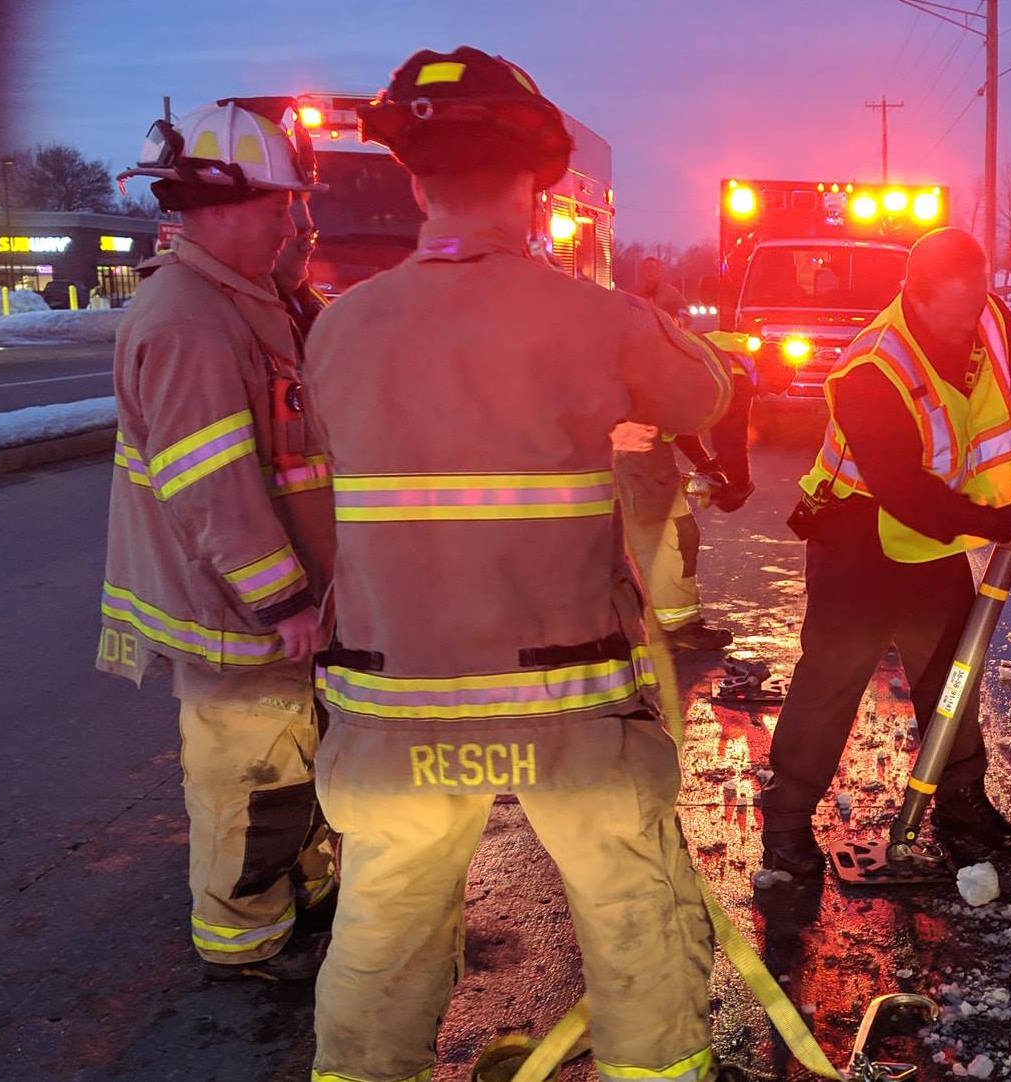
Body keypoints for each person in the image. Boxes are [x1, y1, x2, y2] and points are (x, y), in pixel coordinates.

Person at [302, 47, 755, 1082]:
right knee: (632, 908)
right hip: (566, 705)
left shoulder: (340, 330)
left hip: (392, 705)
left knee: (381, 926)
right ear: (538, 182)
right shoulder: (590, 316)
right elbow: (707, 398)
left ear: (416, 181)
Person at [98, 100, 338, 981]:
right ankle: (245, 943)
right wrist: (282, 598)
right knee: (252, 784)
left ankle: (297, 897)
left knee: (291, 768)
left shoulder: (248, 303)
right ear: (224, 206)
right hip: (241, 617)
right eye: (279, 207)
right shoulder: (191, 321)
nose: (290, 225)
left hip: (262, 617)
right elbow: (212, 487)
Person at [758, 227, 1011, 875]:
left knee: (951, 671)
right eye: (953, 313)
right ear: (913, 298)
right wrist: (1000, 525)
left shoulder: (988, 316)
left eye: (977, 304)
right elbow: (905, 491)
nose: (967, 326)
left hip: (930, 539)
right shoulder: (872, 369)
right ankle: (786, 818)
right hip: (856, 537)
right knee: (833, 678)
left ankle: (959, 801)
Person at [617, 263, 742, 649]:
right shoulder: (685, 364)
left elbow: (680, 425)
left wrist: (707, 464)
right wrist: (723, 468)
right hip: (634, 457)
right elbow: (685, 419)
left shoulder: (663, 344)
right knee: (667, 536)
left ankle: (661, 623)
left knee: (663, 536)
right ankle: (672, 628)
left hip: (639, 455)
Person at [274, 193, 328, 343]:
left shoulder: (311, 297)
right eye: (298, 234)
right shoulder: (252, 311)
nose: (308, 247)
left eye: (310, 235)